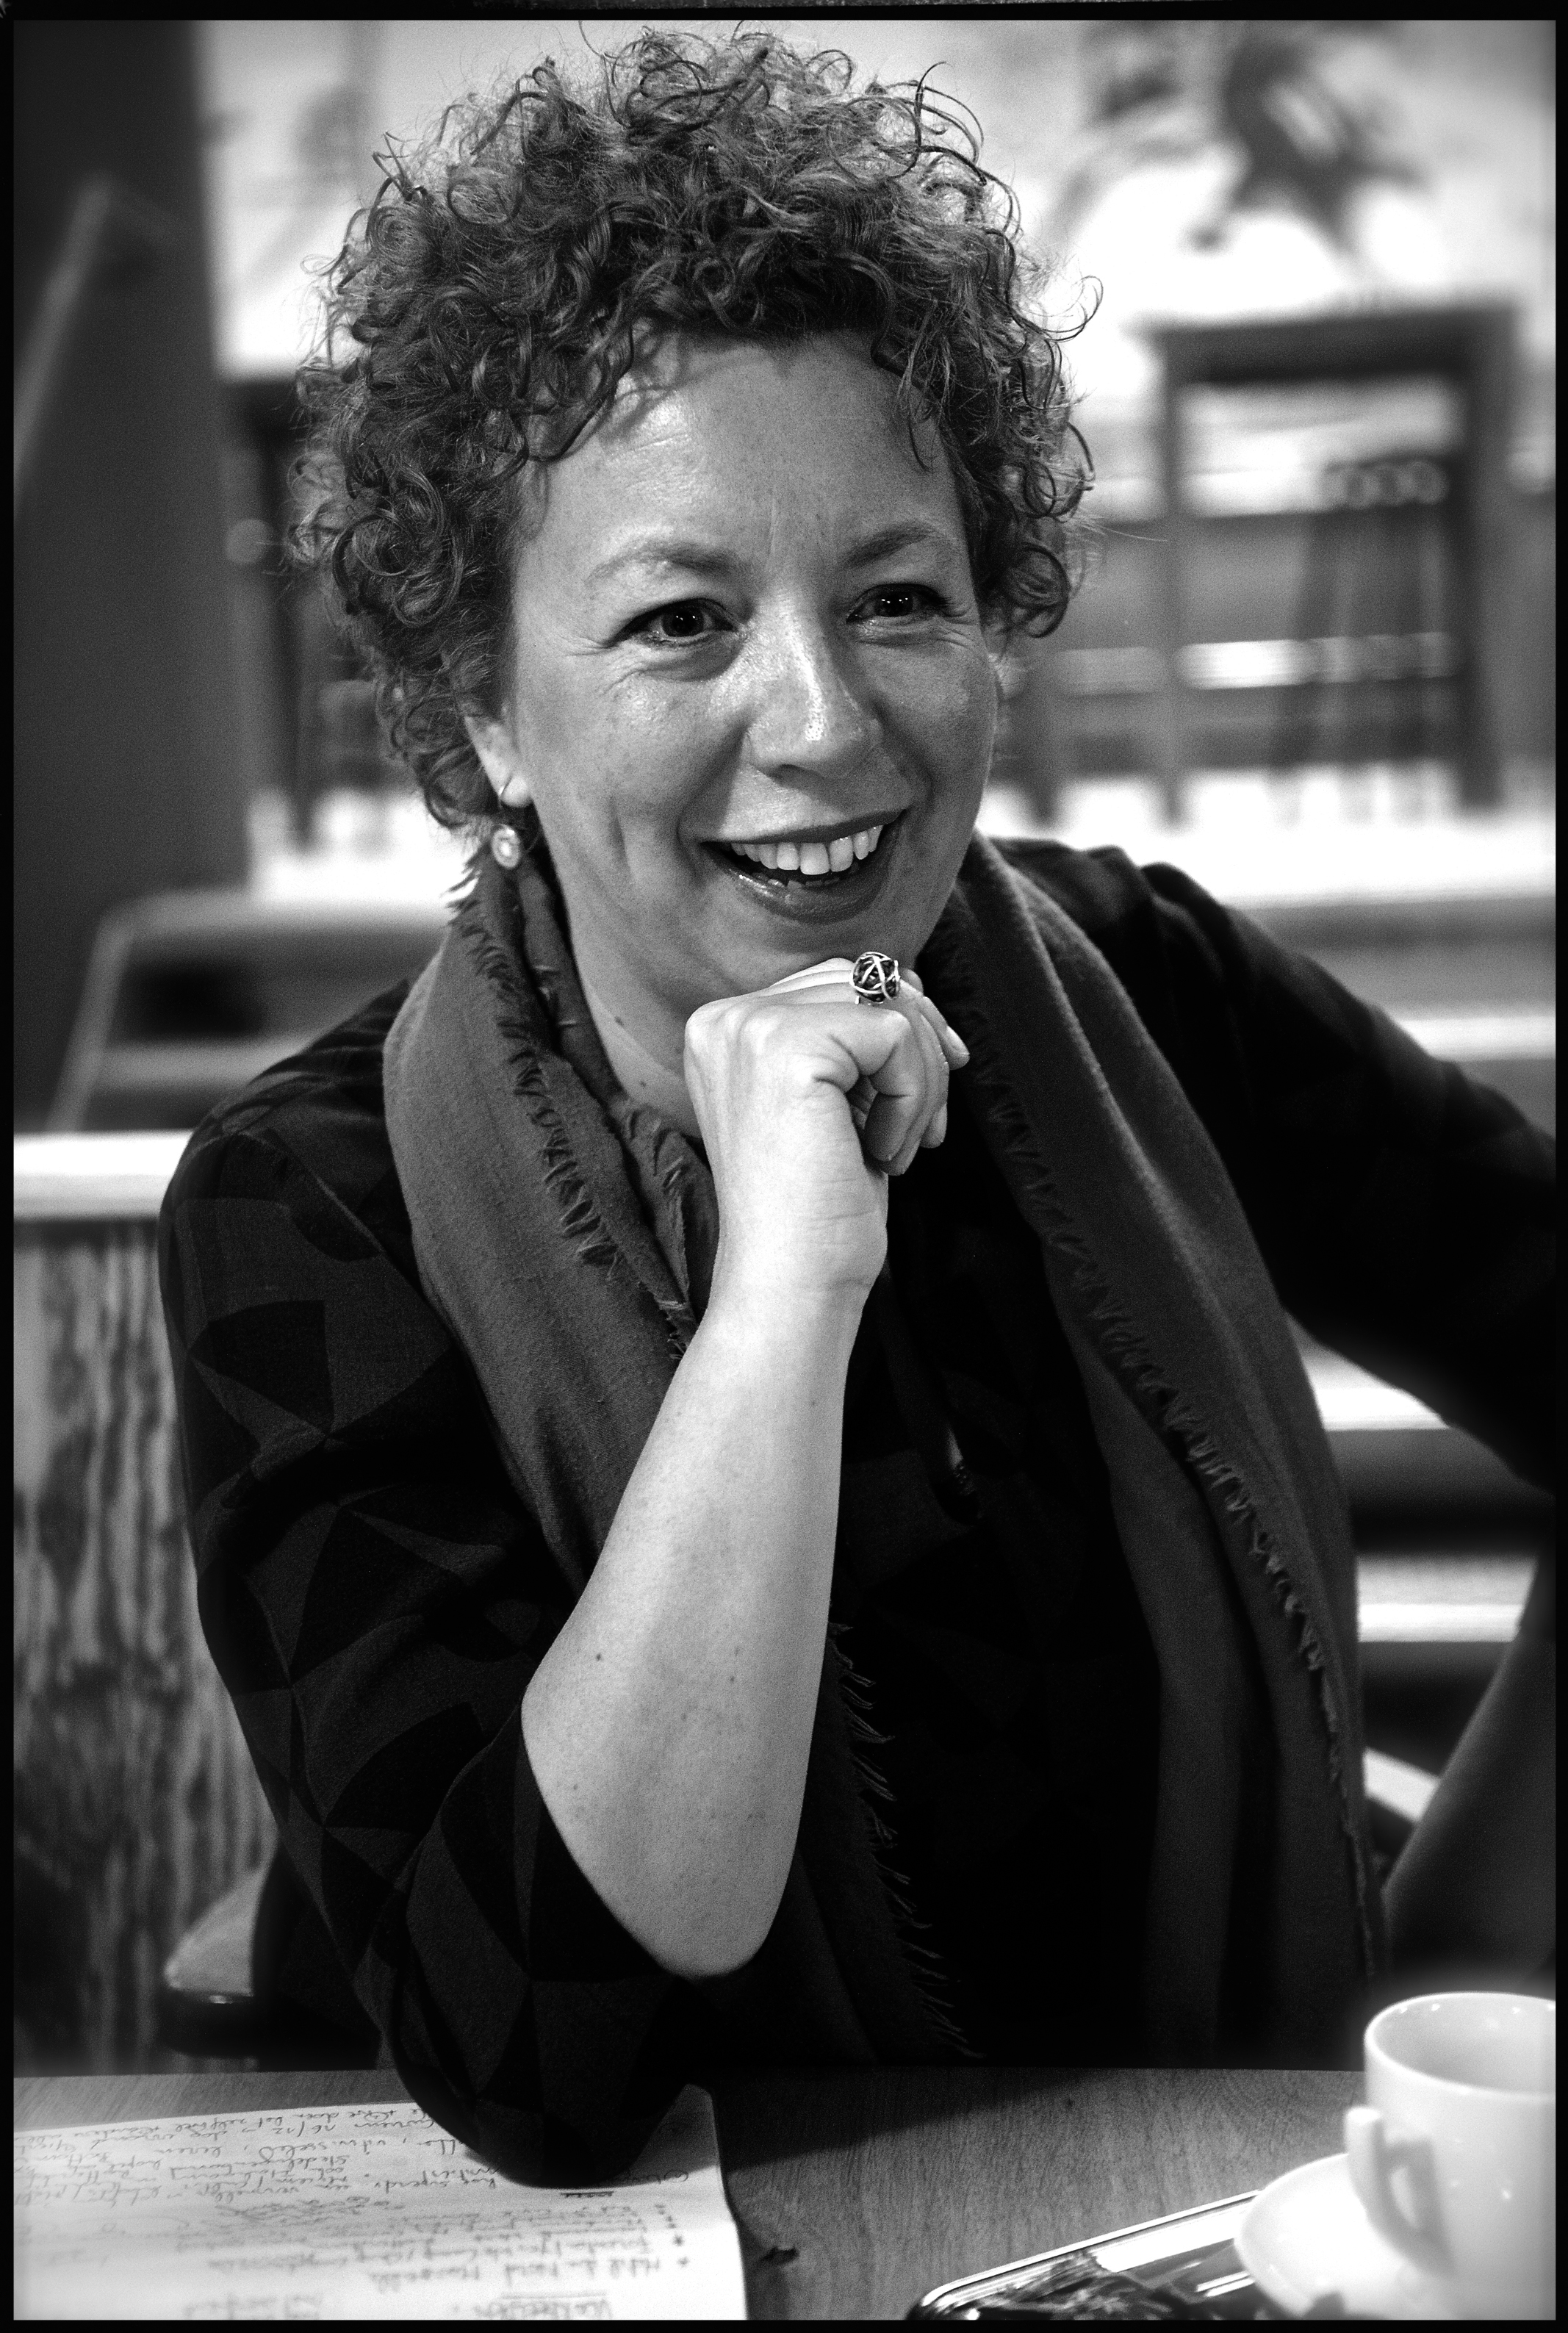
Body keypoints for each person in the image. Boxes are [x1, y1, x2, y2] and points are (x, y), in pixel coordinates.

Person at [159, 31, 1553, 2179]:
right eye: (681, 620)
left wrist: (1447, 1981)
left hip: (1190, 2223)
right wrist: (786, 1291)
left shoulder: (1141, 988)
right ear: (482, 711)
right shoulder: (311, 1202)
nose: (820, 723)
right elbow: (535, 2062)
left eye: (899, 597)